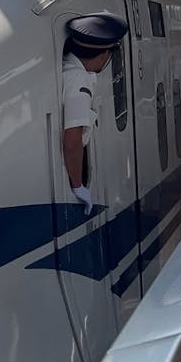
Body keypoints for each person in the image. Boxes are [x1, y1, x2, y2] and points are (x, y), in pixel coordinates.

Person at [62, 12, 128, 216]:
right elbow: (73, 136)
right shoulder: (79, 79)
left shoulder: (66, 67)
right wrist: (78, 185)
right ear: (104, 56)